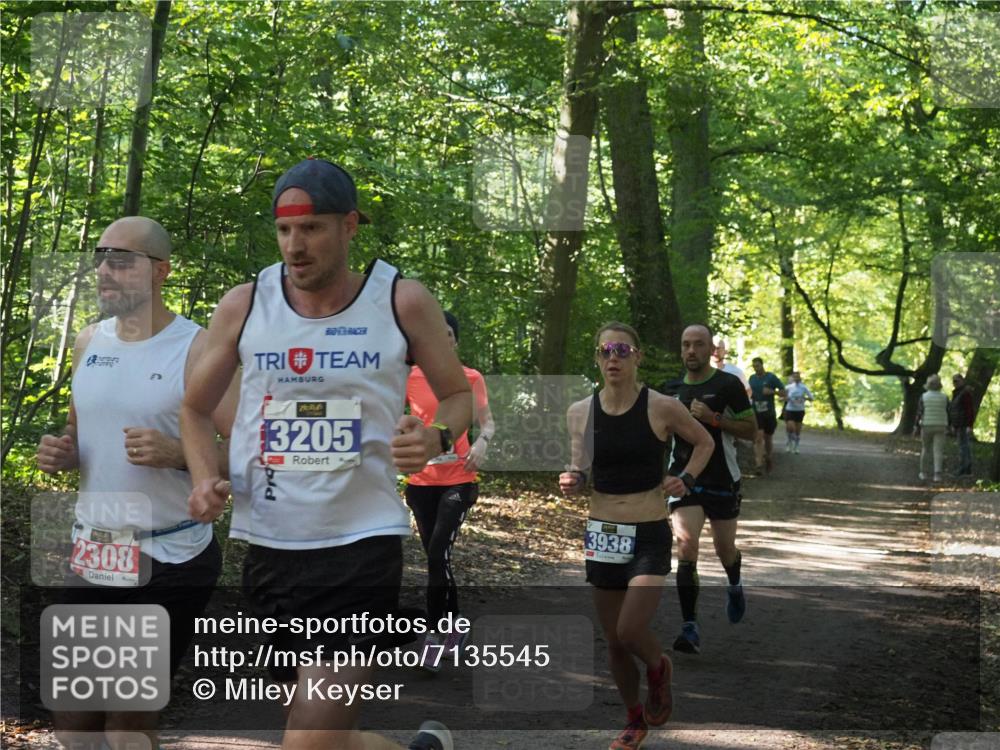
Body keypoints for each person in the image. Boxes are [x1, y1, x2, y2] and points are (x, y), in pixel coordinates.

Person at [179, 158, 471, 750]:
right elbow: (192, 407)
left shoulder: (401, 300)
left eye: (311, 228)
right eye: (285, 231)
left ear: (350, 226)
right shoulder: (245, 304)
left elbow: (459, 394)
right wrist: (204, 476)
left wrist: (437, 435)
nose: (295, 245)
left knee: (307, 741)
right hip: (270, 546)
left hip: (361, 545)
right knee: (328, 737)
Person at [35, 217, 238, 750]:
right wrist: (63, 451)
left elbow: (251, 450)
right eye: (102, 256)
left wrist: (179, 455)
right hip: (97, 551)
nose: (105, 269)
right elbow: (84, 436)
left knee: (126, 724)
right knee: (73, 720)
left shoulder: (197, 349)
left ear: (160, 272)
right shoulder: (87, 341)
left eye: (122, 259)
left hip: (168, 554)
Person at [559, 322, 714, 750]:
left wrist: (685, 477)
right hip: (602, 532)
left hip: (647, 531)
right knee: (613, 641)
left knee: (630, 631)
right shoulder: (580, 411)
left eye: (622, 350)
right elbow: (580, 467)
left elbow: (703, 443)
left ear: (637, 356)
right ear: (596, 357)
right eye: (605, 350)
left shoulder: (662, 407)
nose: (613, 358)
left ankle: (658, 666)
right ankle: (633, 719)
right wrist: (573, 479)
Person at [405, 311, 494, 671]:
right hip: (420, 483)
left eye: (448, 335)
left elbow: (487, 423)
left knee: (438, 550)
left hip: (458, 480)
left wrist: (482, 444)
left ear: (455, 341)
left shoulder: (470, 378)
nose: (441, 341)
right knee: (435, 558)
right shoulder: (408, 378)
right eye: (434, 335)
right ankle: (456, 628)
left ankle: (432, 636)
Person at [666, 325, 758, 655]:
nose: (691, 350)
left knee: (724, 549)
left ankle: (734, 582)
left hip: (722, 478)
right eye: (686, 344)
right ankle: (689, 627)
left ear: (711, 350)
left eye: (698, 345)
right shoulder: (670, 389)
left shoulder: (728, 384)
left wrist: (715, 419)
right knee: (687, 544)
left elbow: (752, 431)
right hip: (683, 478)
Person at [748, 357, 785, 474]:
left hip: (769, 413)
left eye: (757, 366)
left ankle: (768, 457)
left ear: (762, 365)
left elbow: (784, 392)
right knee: (758, 438)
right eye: (754, 366)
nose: (756, 368)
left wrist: (772, 392)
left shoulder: (771, 377)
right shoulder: (752, 379)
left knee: (768, 438)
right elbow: (749, 393)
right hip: (756, 412)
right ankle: (758, 464)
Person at [914, 374, 948, 483]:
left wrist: (916, 426)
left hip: (927, 425)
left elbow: (919, 413)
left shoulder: (923, 397)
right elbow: (949, 411)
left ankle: (923, 472)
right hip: (941, 425)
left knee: (925, 448)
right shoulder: (945, 397)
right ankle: (937, 474)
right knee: (938, 450)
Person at [781, 371, 814, 454]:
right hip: (790, 410)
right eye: (794, 377)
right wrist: (785, 398)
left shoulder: (803, 387)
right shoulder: (788, 387)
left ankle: (796, 447)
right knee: (791, 427)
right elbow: (781, 397)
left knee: (797, 431)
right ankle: (789, 442)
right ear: (792, 378)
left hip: (800, 410)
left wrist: (804, 398)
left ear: (800, 378)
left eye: (797, 377)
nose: (796, 378)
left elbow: (811, 397)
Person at [949, 373, 975, 477]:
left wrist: (969, 425)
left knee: (963, 447)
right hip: (959, 424)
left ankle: (963, 468)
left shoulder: (965, 393)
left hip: (964, 424)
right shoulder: (957, 393)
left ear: (962, 381)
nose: (955, 383)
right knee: (964, 446)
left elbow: (969, 410)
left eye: (957, 381)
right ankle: (966, 468)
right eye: (953, 381)